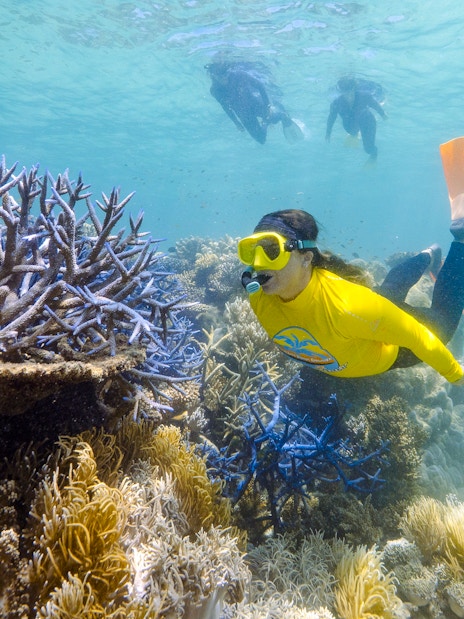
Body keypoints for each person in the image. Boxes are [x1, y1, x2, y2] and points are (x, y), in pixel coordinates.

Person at [236, 138, 464, 385]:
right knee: (387, 293)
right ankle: (429, 255)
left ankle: (460, 237)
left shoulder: (349, 308)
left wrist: (455, 375)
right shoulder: (259, 296)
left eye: (271, 250)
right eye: (251, 251)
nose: (258, 264)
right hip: (367, 321)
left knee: (442, 323)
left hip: (391, 350)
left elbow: (419, 337)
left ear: (306, 258)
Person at [206, 60, 303, 144]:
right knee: (261, 140)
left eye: (226, 74)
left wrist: (267, 106)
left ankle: (282, 115)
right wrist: (236, 122)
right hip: (243, 113)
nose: (225, 78)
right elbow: (226, 107)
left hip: (255, 104)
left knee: (274, 118)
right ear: (213, 76)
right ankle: (266, 122)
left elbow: (260, 85)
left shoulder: (239, 75)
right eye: (220, 76)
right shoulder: (215, 90)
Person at [326, 76, 387, 161]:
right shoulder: (336, 103)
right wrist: (328, 132)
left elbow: (375, 105)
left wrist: (383, 115)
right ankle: (355, 134)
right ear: (341, 92)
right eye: (345, 93)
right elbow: (331, 118)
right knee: (350, 129)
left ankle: (374, 154)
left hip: (367, 120)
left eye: (350, 92)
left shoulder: (364, 96)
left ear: (354, 89)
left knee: (368, 149)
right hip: (350, 122)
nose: (348, 96)